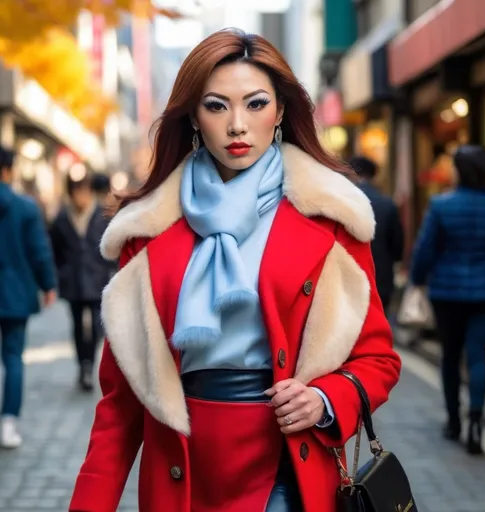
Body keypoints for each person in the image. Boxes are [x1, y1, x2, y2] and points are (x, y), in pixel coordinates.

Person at [70, 29, 401, 512]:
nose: (237, 125)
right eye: (217, 106)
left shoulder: (331, 218)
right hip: (181, 463)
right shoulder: (146, 231)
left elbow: (378, 359)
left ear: (281, 111)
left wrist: (326, 398)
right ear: (195, 118)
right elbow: (120, 404)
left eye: (255, 103)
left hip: (288, 458)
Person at [411, 145, 485, 455]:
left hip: (446, 292)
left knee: (450, 357)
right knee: (478, 356)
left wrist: (416, 279)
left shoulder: (441, 205)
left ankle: (453, 420)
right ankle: (477, 422)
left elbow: (425, 249)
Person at [0, 146, 56, 448]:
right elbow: (39, 251)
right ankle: (8, 424)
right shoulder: (25, 208)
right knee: (13, 358)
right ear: (8, 170)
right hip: (14, 296)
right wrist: (48, 285)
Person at [49, 173, 112, 392]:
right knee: (77, 325)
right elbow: (55, 250)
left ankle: (89, 364)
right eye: (76, 192)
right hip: (73, 282)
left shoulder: (101, 215)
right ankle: (83, 365)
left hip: (96, 280)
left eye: (84, 191)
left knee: (95, 325)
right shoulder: (61, 219)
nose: (81, 197)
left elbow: (110, 246)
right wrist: (61, 272)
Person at [349, 156, 403, 311]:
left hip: (349, 275)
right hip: (381, 275)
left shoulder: (342, 200)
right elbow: (397, 243)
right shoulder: (386, 203)